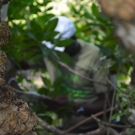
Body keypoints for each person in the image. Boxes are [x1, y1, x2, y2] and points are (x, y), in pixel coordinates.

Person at [42, 16, 117, 133]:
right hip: (67, 128)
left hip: (95, 129)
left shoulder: (95, 56)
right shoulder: (49, 52)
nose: (57, 53)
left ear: (73, 39)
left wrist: (77, 107)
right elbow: (17, 62)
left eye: (61, 48)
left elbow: (109, 104)